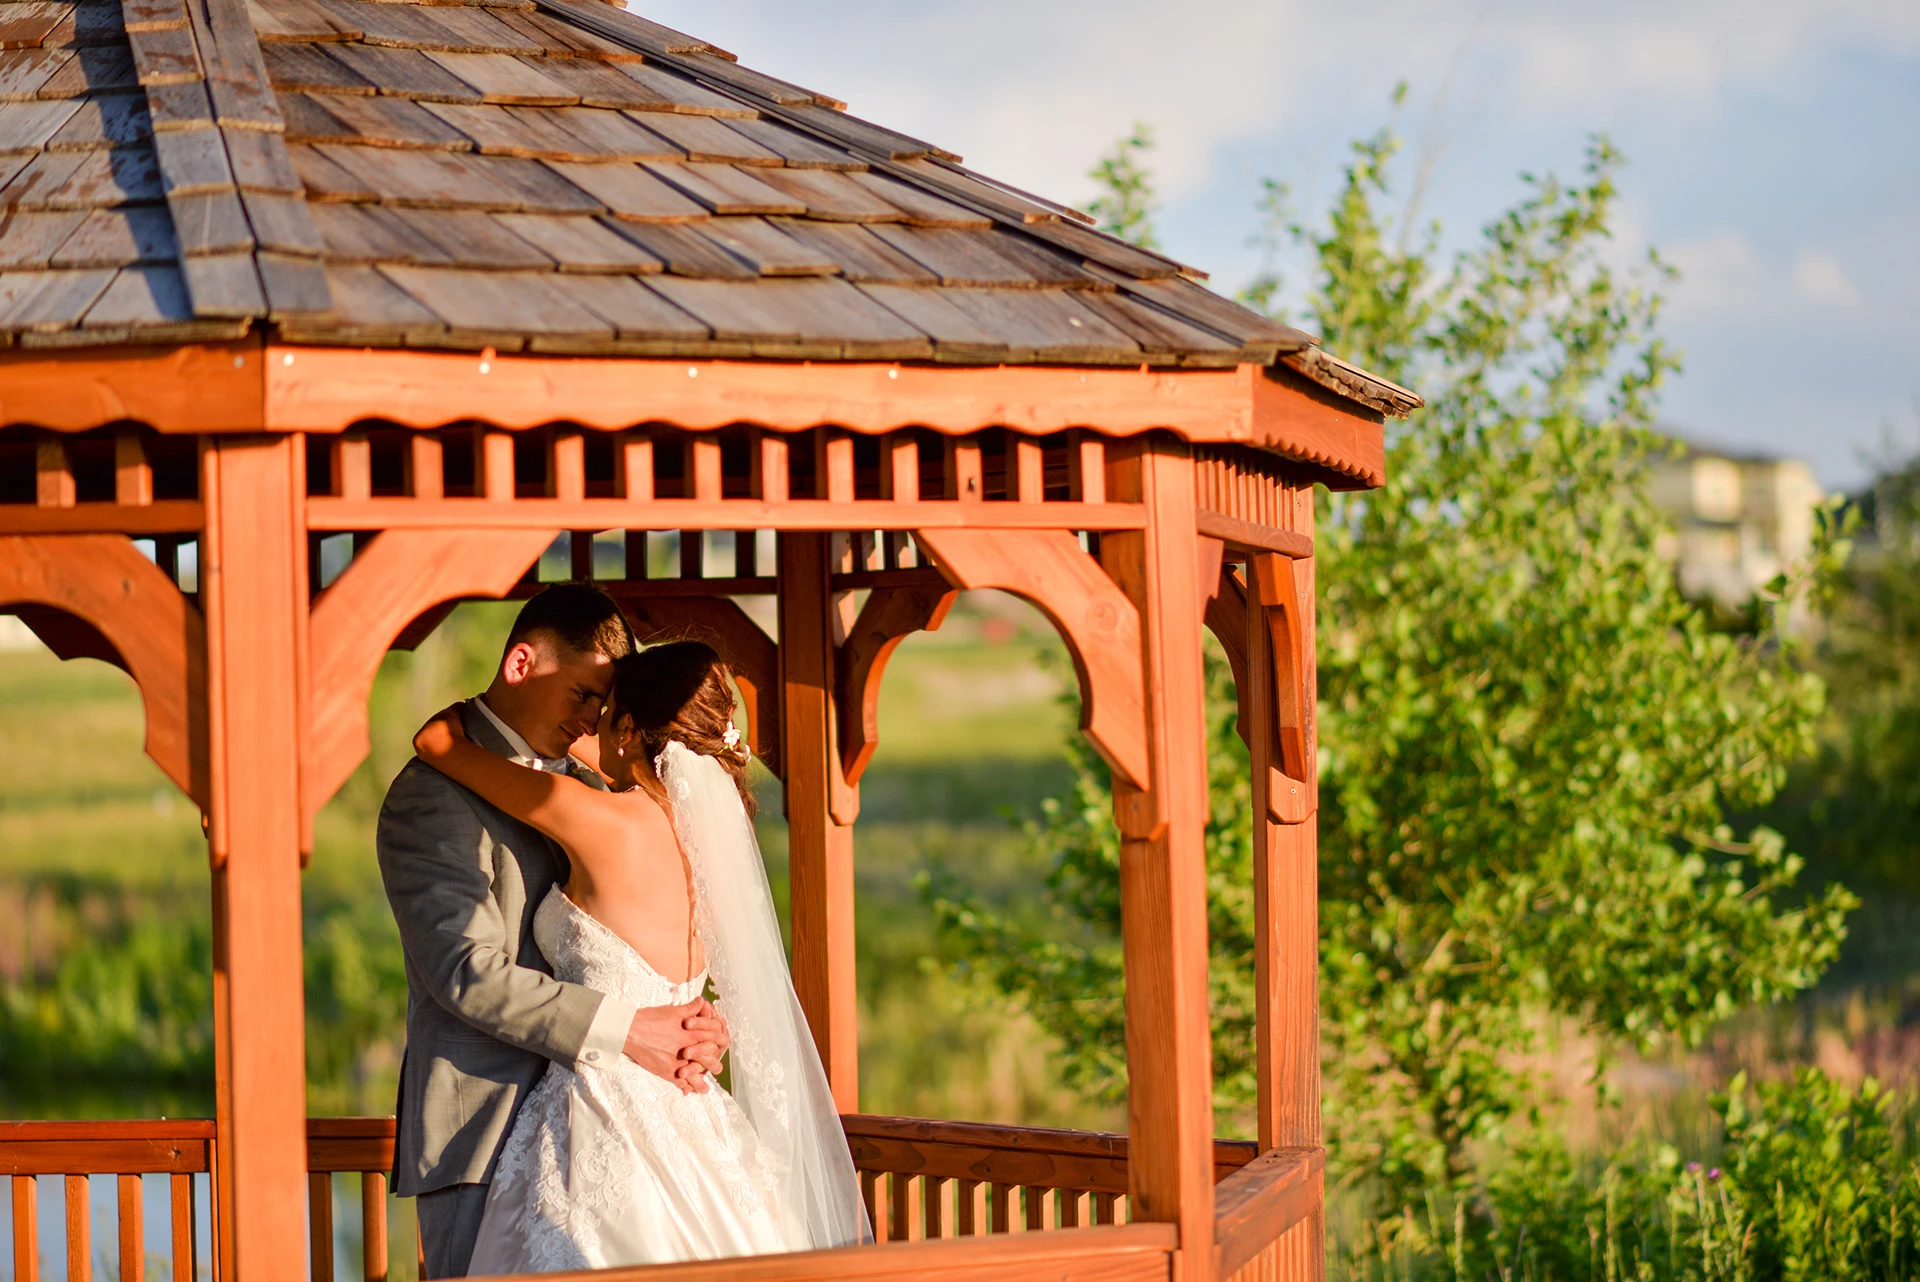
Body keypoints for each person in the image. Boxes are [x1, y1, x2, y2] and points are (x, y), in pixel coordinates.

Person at [411, 639, 869, 1272]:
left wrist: (471, 709)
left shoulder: (597, 819)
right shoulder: (708, 834)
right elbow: (596, 753)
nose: (586, 728)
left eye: (603, 715)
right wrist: (614, 729)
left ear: (627, 729)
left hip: (604, 1107)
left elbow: (436, 747)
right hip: (692, 1104)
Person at [377, 585, 731, 1280]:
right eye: (582, 694)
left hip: (619, 1129)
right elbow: (465, 972)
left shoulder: (596, 790)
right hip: (485, 1131)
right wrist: (635, 1028)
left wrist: (688, 1024)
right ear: (520, 664)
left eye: (604, 704)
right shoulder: (433, 794)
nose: (592, 719)